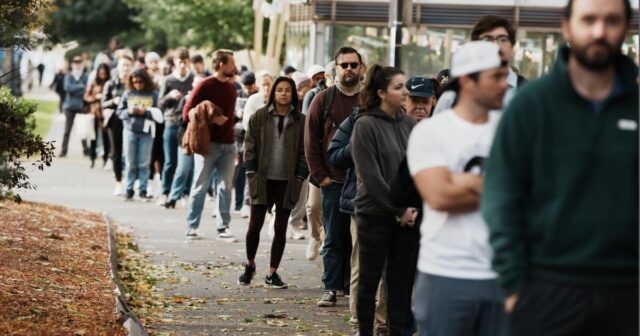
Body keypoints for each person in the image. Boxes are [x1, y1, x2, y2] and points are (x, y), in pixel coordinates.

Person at [482, 0, 638, 335]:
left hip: (628, 292)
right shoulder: (531, 104)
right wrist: (514, 285)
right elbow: (501, 197)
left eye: (611, 20)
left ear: (626, 28)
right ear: (567, 27)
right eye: (589, 20)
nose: (599, 31)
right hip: (546, 289)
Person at [408, 41, 509, 336]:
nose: (506, 84)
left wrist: (463, 182)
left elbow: (531, 192)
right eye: (496, 78)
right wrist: (502, 183)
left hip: (503, 274)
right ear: (467, 80)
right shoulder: (432, 131)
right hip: (445, 275)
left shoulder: (513, 127)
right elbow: (440, 196)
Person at [350, 64, 417, 336]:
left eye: (405, 85)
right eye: (398, 87)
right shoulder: (365, 125)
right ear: (380, 93)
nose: (405, 91)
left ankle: (398, 331)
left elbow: (417, 169)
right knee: (369, 281)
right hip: (374, 215)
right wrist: (397, 209)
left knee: (400, 284)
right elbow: (371, 178)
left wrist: (412, 208)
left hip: (407, 218)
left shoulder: (409, 124)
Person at [305, 46, 364, 307]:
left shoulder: (370, 99)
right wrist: (321, 177)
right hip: (333, 181)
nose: (349, 69)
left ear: (361, 68)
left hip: (363, 183)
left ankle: (352, 288)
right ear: (336, 69)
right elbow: (310, 142)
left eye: (354, 65)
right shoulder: (323, 99)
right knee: (333, 238)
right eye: (344, 65)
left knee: (357, 241)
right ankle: (330, 287)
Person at [238, 76, 308, 289]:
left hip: (287, 182)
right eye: (280, 90)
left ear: (293, 94)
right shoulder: (259, 116)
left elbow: (305, 151)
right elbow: (248, 146)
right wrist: (251, 173)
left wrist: (299, 176)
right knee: (255, 225)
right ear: (273, 93)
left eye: (288, 90)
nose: (284, 94)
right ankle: (250, 264)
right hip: (262, 179)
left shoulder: (301, 120)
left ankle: (272, 272)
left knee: (281, 227)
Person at [182, 49, 238, 241]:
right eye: (231, 63)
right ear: (221, 64)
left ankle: (223, 227)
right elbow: (187, 112)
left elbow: (231, 117)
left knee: (226, 187)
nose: (234, 66)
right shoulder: (204, 85)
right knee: (200, 186)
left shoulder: (232, 88)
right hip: (208, 145)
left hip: (229, 144)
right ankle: (192, 226)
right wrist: (212, 116)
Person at [433, 15, 524, 115]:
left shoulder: (528, 93)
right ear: (475, 47)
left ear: (512, 48)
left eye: (502, 39)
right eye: (487, 40)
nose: (496, 46)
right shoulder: (452, 97)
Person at [117, 68, 161, 201]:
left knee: (144, 163)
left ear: (145, 81)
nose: (137, 84)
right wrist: (129, 112)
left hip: (146, 132)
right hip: (130, 130)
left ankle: (143, 189)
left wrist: (145, 112)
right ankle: (129, 189)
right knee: (130, 163)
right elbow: (119, 112)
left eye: (140, 81)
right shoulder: (128, 93)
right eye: (134, 81)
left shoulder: (153, 94)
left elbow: (159, 113)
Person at [158, 48, 194, 205]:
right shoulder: (168, 80)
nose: (183, 65)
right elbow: (159, 103)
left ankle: (184, 193)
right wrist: (170, 97)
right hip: (171, 123)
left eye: (185, 62)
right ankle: (165, 192)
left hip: (188, 125)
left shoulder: (193, 79)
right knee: (169, 162)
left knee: (187, 163)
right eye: (180, 62)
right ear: (175, 62)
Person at [102, 54, 134, 196]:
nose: (125, 68)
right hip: (115, 119)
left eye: (128, 65)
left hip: (132, 119)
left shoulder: (135, 82)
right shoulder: (110, 84)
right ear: (118, 67)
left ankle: (132, 181)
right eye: (123, 65)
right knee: (116, 151)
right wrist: (113, 101)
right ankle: (118, 181)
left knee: (131, 152)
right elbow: (103, 103)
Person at [59, 55, 88, 158]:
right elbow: (67, 88)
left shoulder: (85, 76)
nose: (78, 64)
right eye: (76, 62)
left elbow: (86, 89)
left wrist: (76, 89)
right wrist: (81, 87)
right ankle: (63, 151)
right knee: (67, 130)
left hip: (81, 106)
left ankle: (86, 150)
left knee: (83, 129)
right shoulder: (69, 75)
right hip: (69, 106)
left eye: (79, 62)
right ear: (73, 64)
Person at [83, 63, 111, 168]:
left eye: (104, 73)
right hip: (95, 113)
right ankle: (92, 159)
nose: (102, 74)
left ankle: (105, 160)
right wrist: (95, 97)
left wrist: (104, 97)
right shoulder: (94, 83)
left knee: (106, 138)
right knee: (93, 138)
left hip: (106, 113)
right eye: (101, 73)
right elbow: (86, 96)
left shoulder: (110, 83)